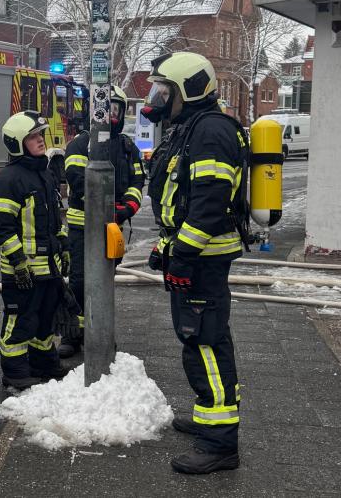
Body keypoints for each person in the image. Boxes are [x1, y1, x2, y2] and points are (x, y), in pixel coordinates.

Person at [143, 51, 249, 475]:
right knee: (201, 338)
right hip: (193, 253)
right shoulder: (194, 127)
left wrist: (183, 256)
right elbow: (179, 196)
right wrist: (166, 247)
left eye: (164, 91)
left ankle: (220, 442)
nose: (158, 98)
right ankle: (210, 417)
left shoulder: (209, 133)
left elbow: (207, 205)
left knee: (204, 340)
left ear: (187, 91)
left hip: (202, 258)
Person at [59, 85, 145, 358]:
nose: (113, 115)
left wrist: (125, 209)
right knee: (79, 280)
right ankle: (72, 336)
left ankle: (100, 332)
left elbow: (136, 182)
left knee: (105, 280)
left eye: (117, 109)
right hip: (81, 226)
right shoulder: (80, 143)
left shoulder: (128, 148)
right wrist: (100, 207)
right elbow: (76, 177)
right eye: (109, 109)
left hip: (111, 227)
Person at [0, 111, 71, 390]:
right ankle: (14, 372)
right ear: (17, 143)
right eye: (33, 137)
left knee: (45, 318)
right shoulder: (8, 180)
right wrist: (18, 261)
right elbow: (3, 226)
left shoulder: (46, 175)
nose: (40, 141)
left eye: (40, 136)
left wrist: (64, 247)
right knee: (19, 320)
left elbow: (54, 219)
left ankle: (43, 363)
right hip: (22, 271)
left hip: (48, 268)